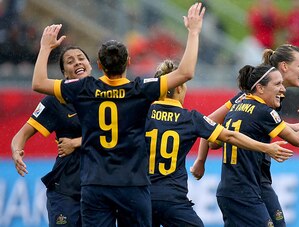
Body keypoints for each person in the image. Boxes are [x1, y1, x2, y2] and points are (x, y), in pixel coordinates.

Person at [31, 3, 205, 226]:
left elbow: (38, 83)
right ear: (128, 63)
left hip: (95, 185)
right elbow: (186, 72)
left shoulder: (84, 89)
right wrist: (193, 32)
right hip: (132, 185)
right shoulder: (139, 89)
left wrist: (45, 47)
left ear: (101, 65)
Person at [145, 60, 293, 227]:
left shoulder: (141, 115)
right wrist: (265, 147)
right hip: (173, 200)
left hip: (142, 196)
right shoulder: (190, 118)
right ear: (179, 87)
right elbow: (230, 137)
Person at [191, 44, 299, 226]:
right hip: (248, 181)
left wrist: (288, 126)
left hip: (256, 178)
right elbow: (210, 122)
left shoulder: (271, 95)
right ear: (284, 66)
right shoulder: (248, 96)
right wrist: (200, 160)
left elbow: (255, 122)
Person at [214, 64, 299, 226]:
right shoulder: (264, 111)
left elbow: (214, 143)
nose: (282, 89)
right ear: (260, 88)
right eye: (277, 84)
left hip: (232, 189)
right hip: (244, 192)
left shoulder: (235, 108)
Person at [11, 45, 92, 226]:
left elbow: (118, 135)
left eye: (81, 58)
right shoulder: (56, 100)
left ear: (90, 64)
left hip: (98, 191)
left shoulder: (104, 95)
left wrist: (76, 142)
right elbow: (21, 135)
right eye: (70, 62)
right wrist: (16, 151)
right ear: (65, 74)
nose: (77, 62)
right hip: (65, 191)